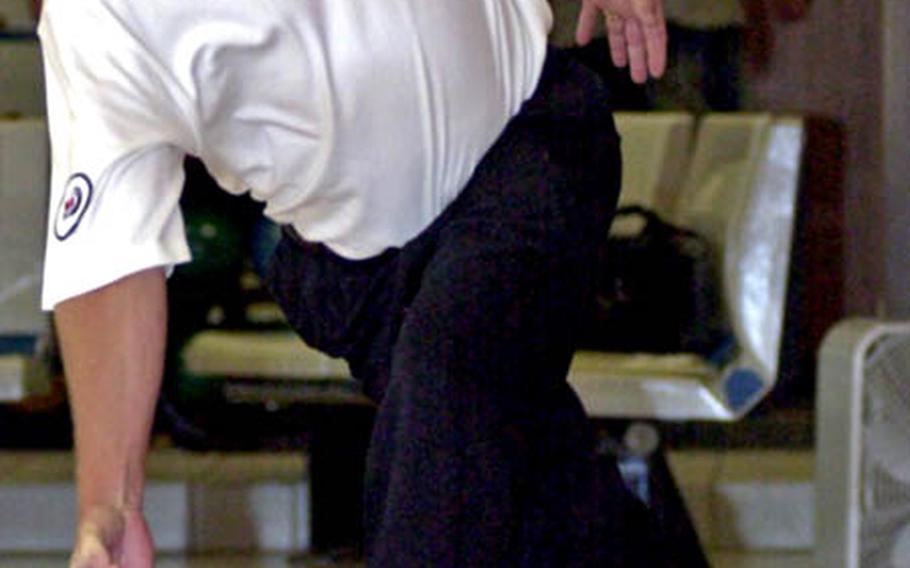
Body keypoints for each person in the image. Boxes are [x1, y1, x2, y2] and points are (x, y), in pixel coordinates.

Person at [37, 0, 667, 566]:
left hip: (525, 149)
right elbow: (109, 259)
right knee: (533, 484)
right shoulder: (95, 20)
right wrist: (112, 505)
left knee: (445, 390)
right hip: (357, 279)